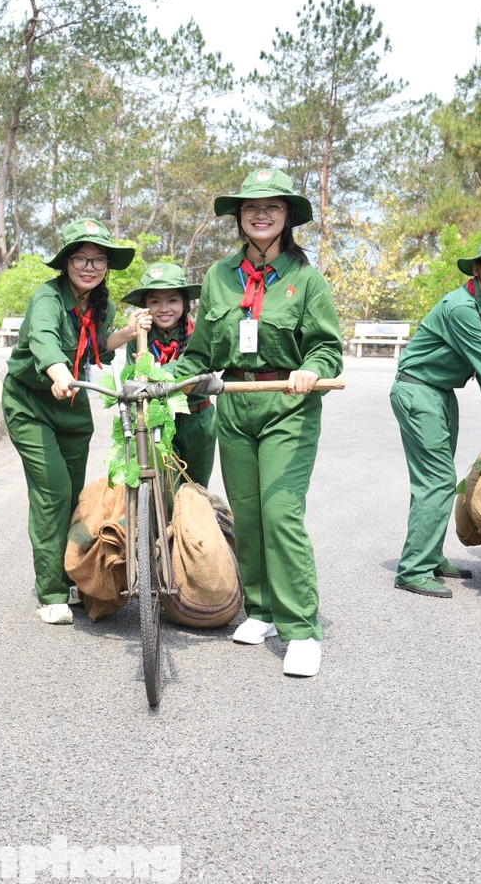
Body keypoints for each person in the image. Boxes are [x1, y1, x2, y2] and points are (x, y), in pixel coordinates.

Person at [169, 169, 342, 678]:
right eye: (250, 208)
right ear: (239, 219)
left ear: (287, 216)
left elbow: (326, 346)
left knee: (280, 513)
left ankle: (302, 628)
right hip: (235, 404)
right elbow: (200, 353)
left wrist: (313, 369)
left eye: (272, 206)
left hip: (287, 403)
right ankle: (262, 609)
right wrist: (159, 380)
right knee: (246, 514)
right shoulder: (221, 276)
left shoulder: (305, 279)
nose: (260, 214)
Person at [3, 218, 146, 626]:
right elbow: (44, 339)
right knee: (52, 492)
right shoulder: (47, 297)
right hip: (31, 402)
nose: (89, 266)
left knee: (72, 498)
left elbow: (97, 344)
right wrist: (58, 371)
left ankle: (71, 576)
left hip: (72, 406)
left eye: (98, 260)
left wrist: (126, 332)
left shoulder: (103, 304)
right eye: (81, 258)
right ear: (66, 262)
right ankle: (50, 591)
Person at [389, 234, 481, 600]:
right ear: (477, 268)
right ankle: (413, 569)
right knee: (437, 480)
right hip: (418, 390)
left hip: (441, 393)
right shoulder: (461, 307)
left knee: (436, 480)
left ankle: (429, 554)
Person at [121, 262, 216, 488]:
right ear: (144, 307)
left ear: (185, 304)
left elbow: (198, 372)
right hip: (157, 420)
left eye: (172, 300)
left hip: (197, 420)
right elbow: (133, 383)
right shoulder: (139, 339)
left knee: (196, 487)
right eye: (155, 301)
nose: (164, 308)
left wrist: (156, 372)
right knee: (163, 488)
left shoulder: (198, 335)